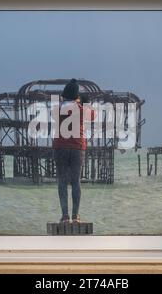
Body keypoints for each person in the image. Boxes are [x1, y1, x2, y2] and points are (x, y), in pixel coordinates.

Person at [53, 79, 95, 224]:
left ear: (64, 95)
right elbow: (93, 116)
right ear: (76, 96)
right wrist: (82, 102)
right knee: (76, 182)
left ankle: (65, 217)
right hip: (78, 147)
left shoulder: (57, 109)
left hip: (60, 147)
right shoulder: (81, 109)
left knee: (62, 181)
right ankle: (76, 216)